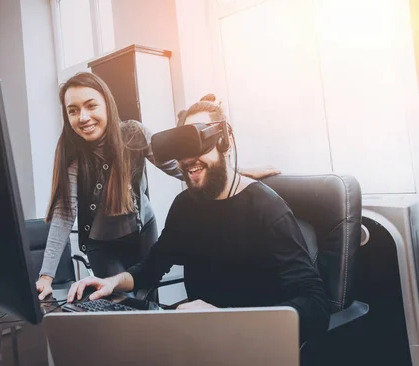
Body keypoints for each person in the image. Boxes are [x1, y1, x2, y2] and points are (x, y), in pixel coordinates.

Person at [66, 94, 330, 343]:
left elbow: (315, 304)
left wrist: (228, 320)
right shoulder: (185, 207)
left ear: (225, 144)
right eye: (181, 146)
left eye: (197, 143)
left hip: (251, 341)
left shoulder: (268, 209)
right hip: (201, 339)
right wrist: (112, 282)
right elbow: (152, 266)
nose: (187, 159)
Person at [36, 72, 280, 300]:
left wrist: (238, 172)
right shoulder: (72, 156)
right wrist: (46, 277)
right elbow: (63, 215)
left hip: (142, 232)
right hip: (102, 245)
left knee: (147, 296)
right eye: (73, 111)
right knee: (116, 304)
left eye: (91, 105)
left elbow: (178, 168)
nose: (84, 117)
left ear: (107, 105)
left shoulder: (134, 134)